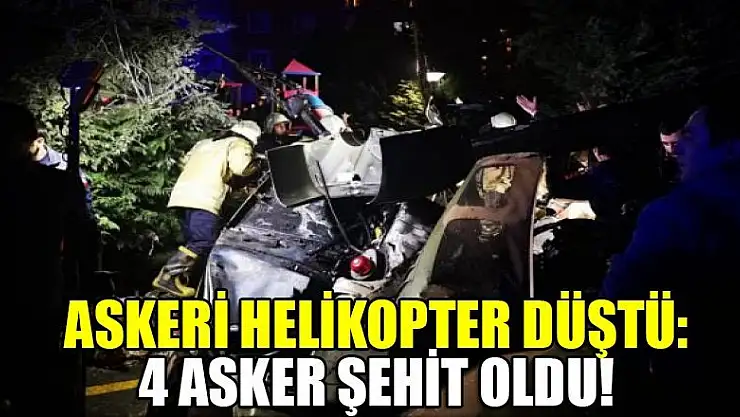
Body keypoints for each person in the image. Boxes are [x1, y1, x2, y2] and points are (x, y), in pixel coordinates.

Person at [601, 102, 739, 412]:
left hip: (699, 378)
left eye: (690, 138)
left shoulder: (675, 214)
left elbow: (619, 302)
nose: (678, 151)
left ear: (731, 148)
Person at [1, 101, 87, 415]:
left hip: (41, 303)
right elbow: (84, 245)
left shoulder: (56, 184)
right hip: (40, 304)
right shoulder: (55, 184)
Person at [152, 120, 262, 298]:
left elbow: (184, 162)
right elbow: (241, 168)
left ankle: (184, 284)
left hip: (182, 195)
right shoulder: (239, 143)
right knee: (203, 241)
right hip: (205, 198)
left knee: (193, 243)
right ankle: (168, 277)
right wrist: (257, 165)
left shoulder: (205, 143)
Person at [29, 131, 94, 213]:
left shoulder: (64, 163)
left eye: (27, 142)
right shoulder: (19, 167)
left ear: (40, 141)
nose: (23, 146)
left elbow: (85, 195)